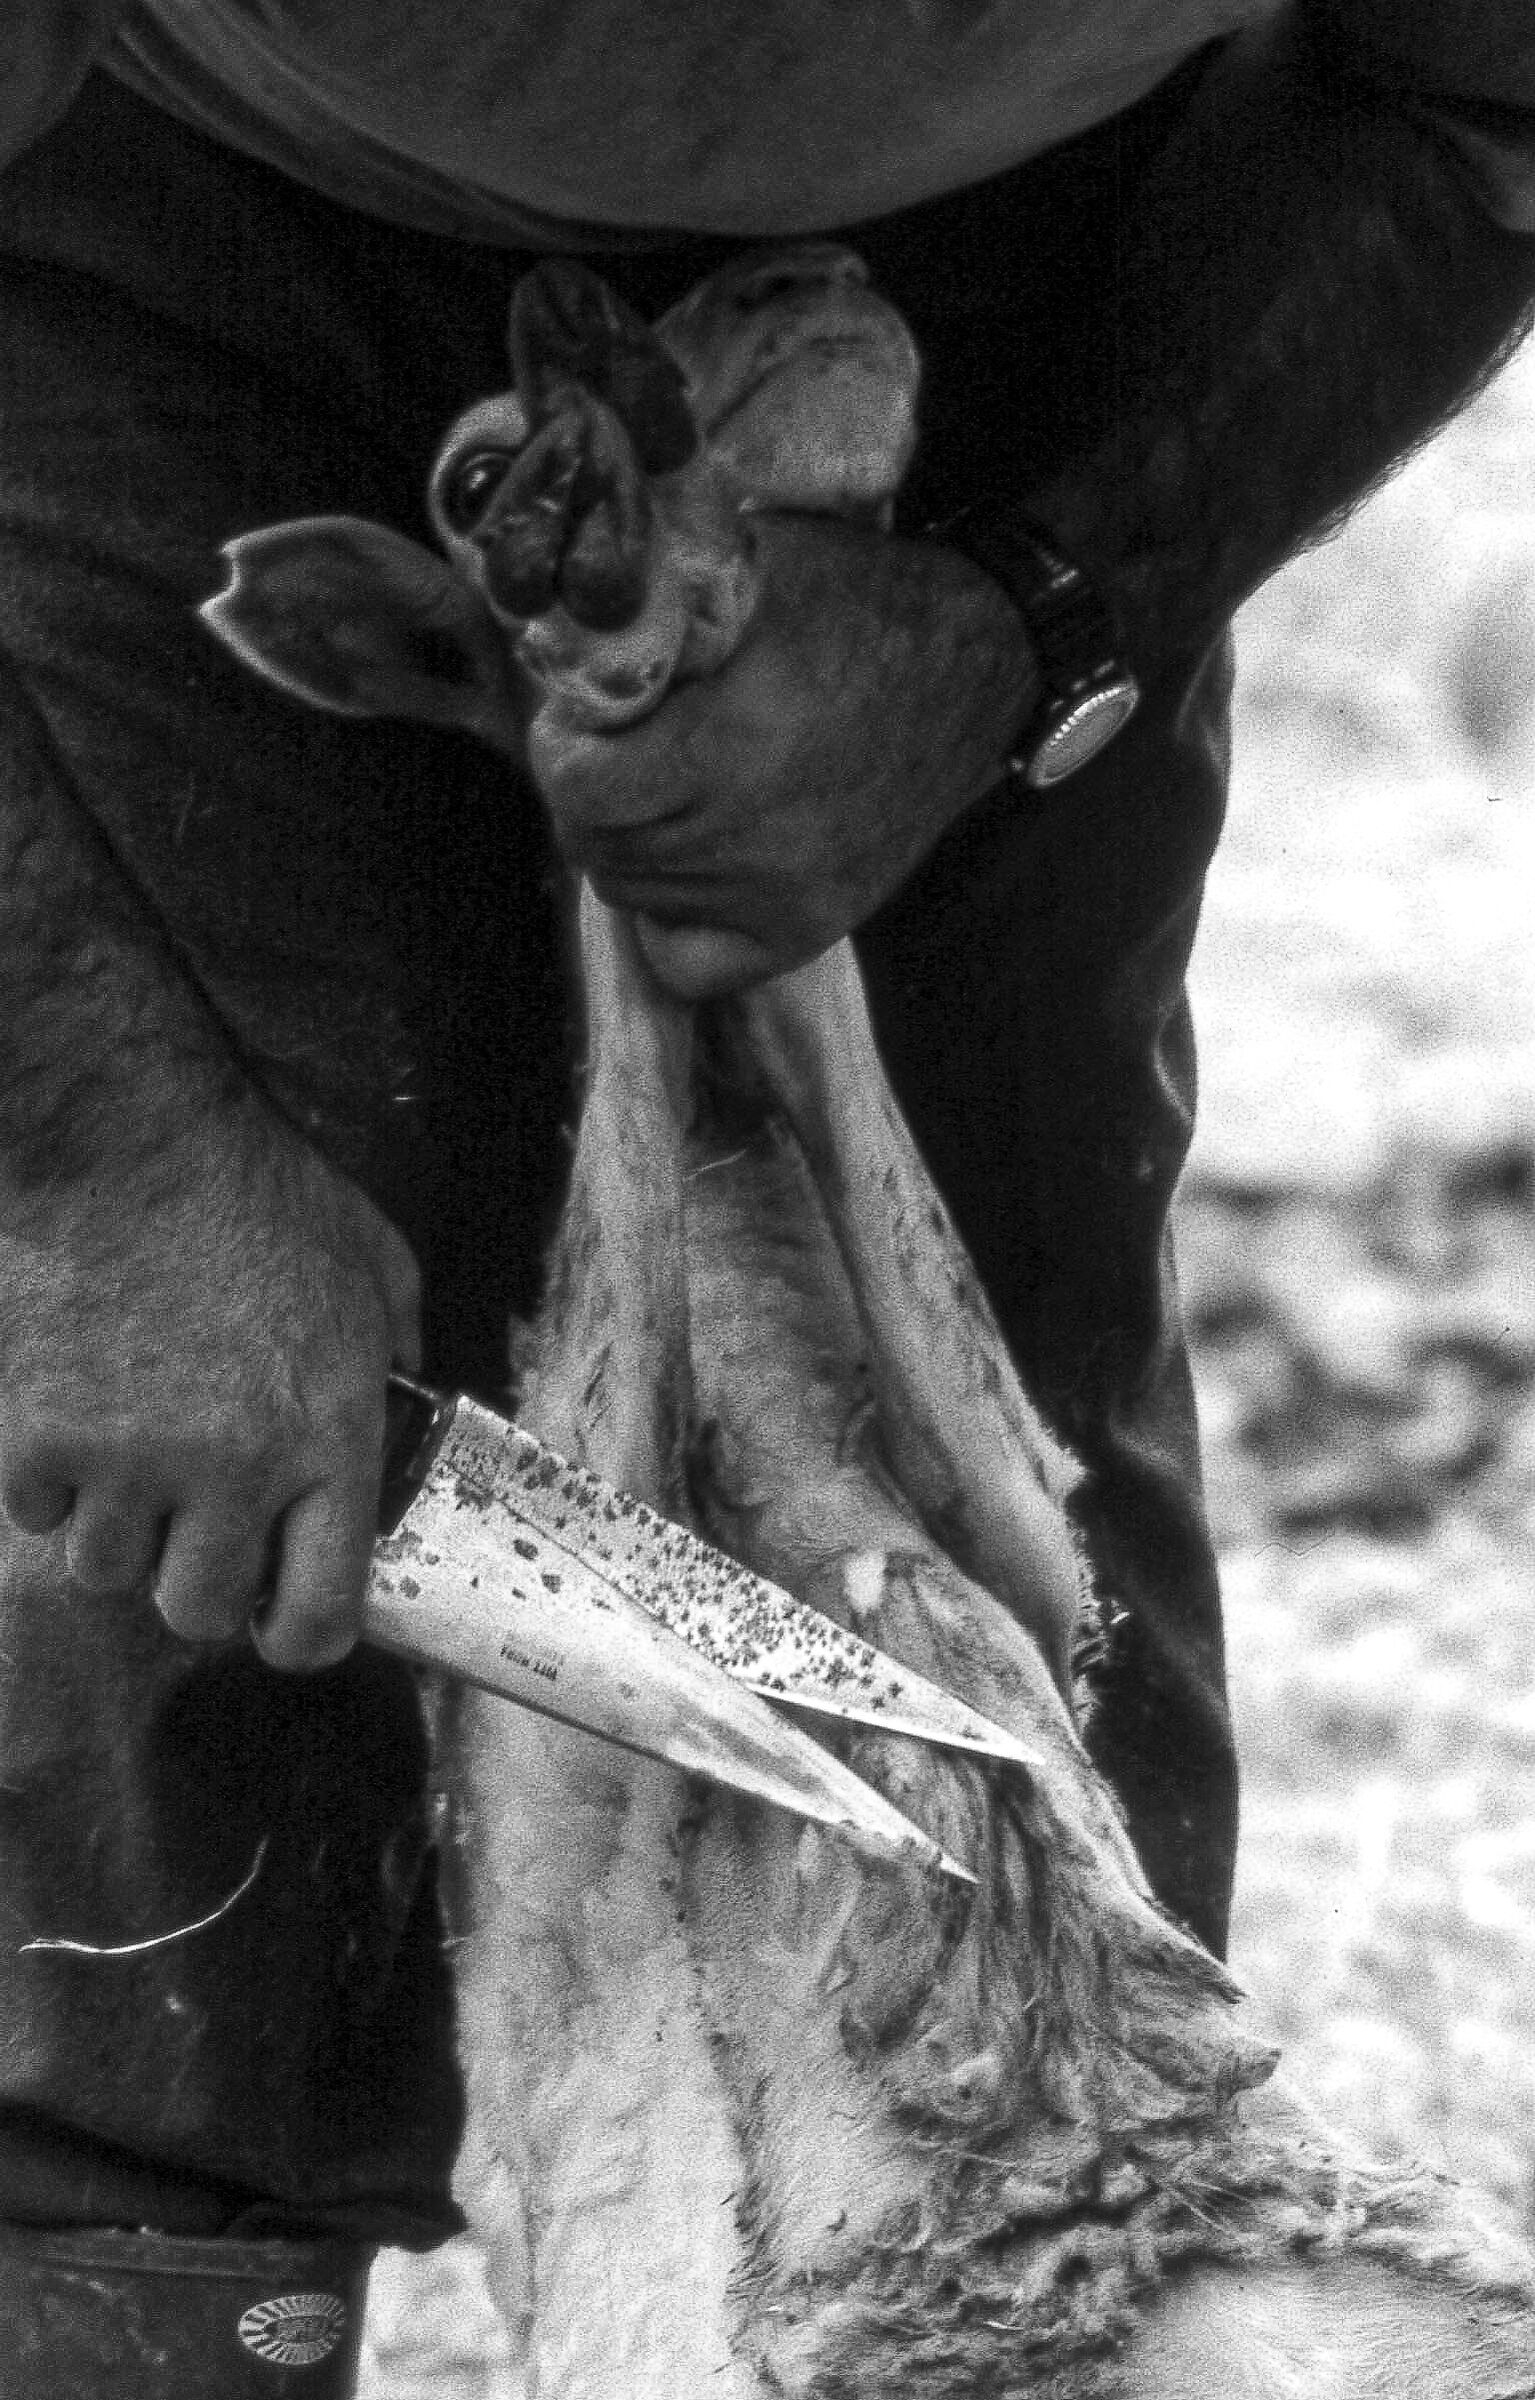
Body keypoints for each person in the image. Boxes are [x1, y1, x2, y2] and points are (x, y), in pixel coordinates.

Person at [0, 2, 1530, 2387]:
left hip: (1067, 225)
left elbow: (1483, 111)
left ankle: (1047, 2280)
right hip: (154, 209)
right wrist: (92, 1167)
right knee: (176, 1674)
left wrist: (1040, 617)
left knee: (992, 1581)